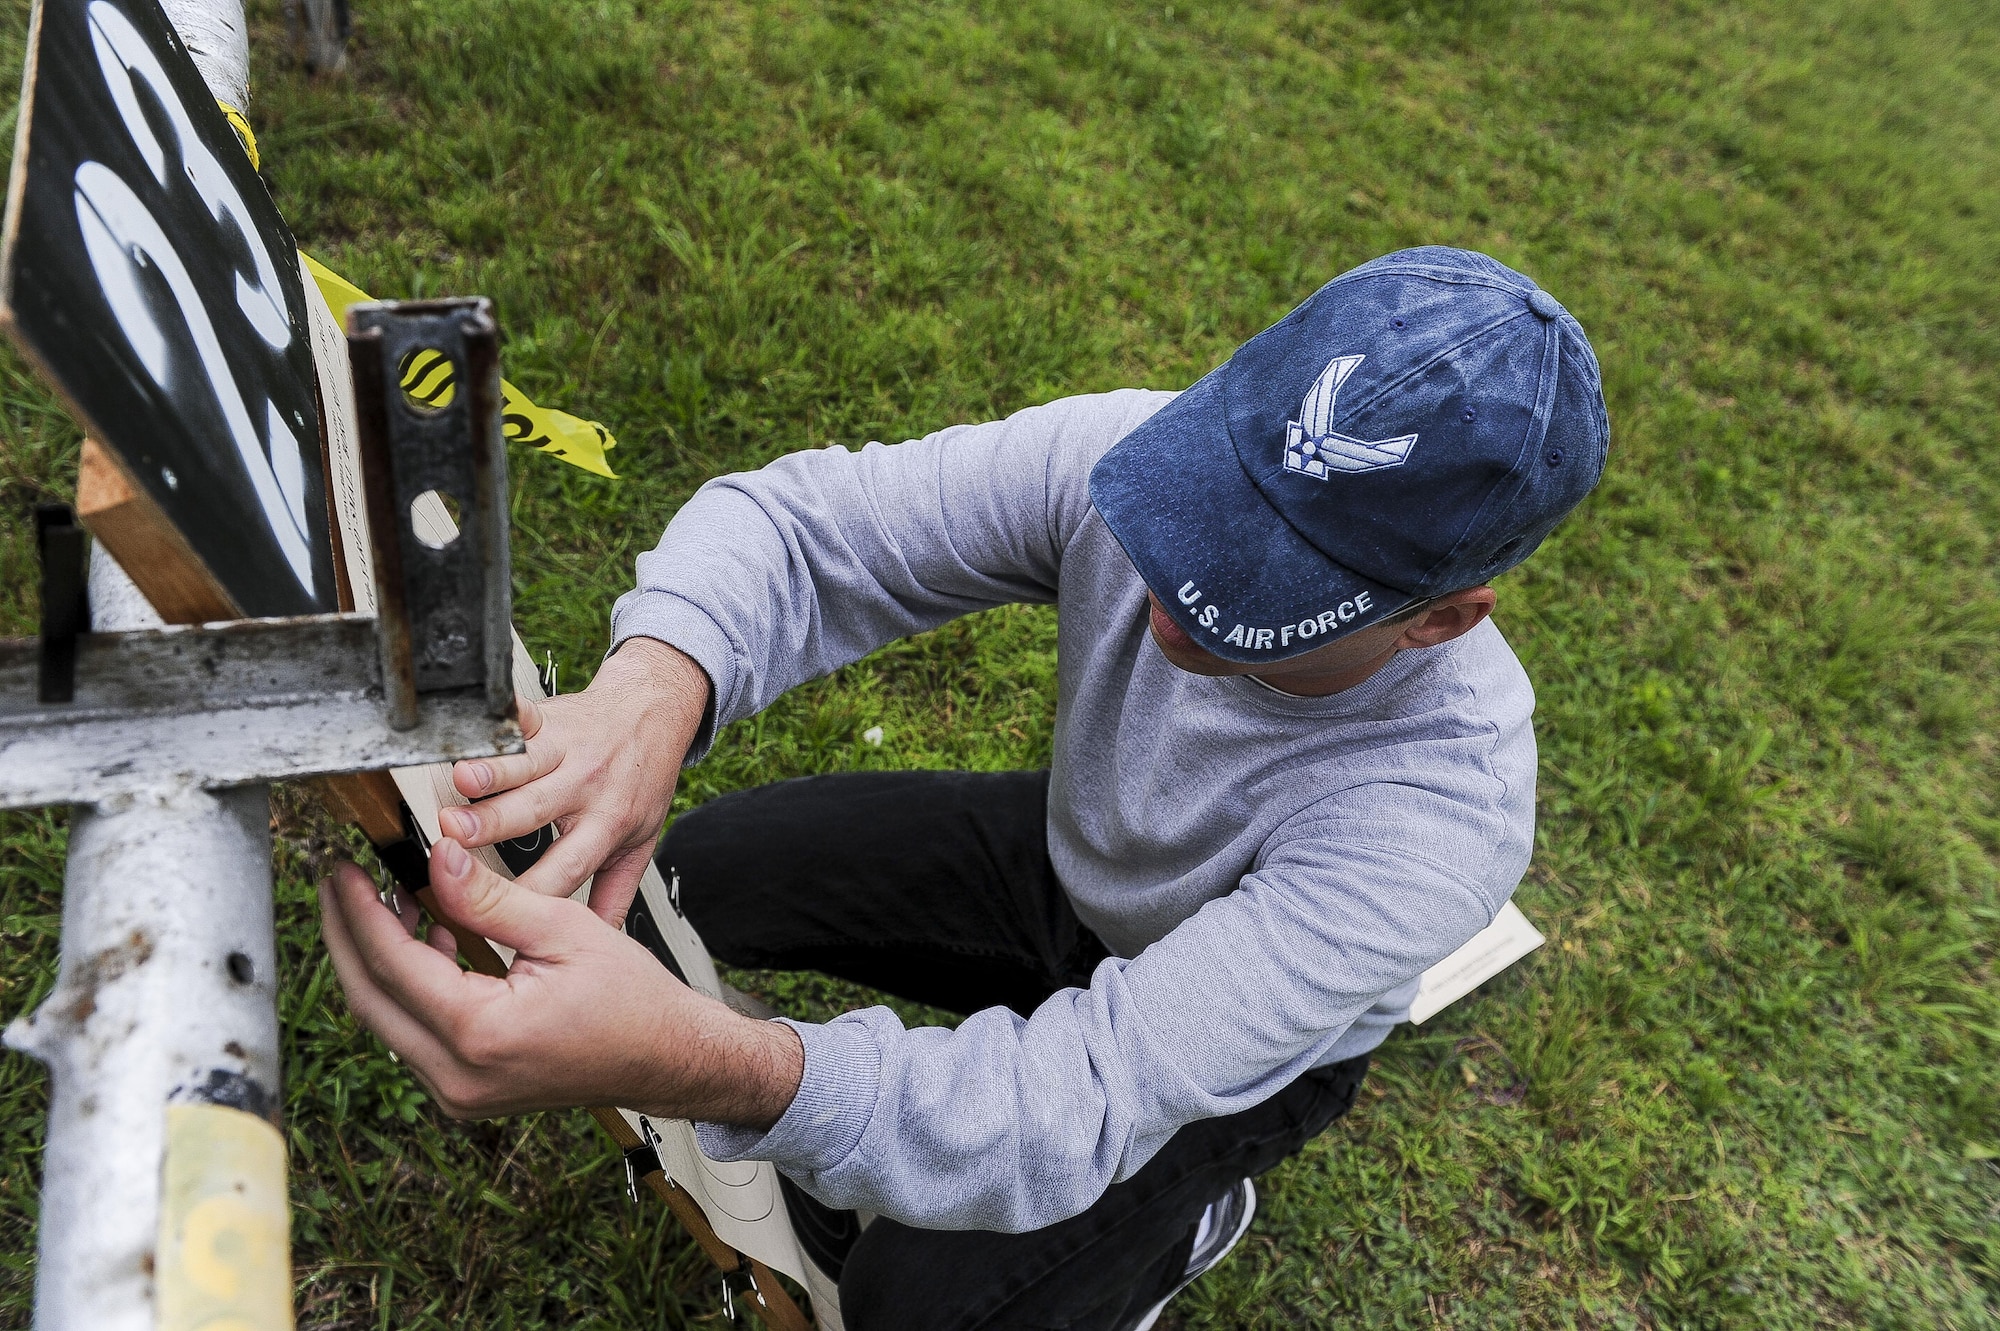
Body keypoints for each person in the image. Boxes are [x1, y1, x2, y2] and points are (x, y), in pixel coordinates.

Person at [321, 246, 1608, 1329]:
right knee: (687, 880)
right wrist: (654, 690)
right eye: (1204, 516)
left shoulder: (1438, 813)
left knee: (908, 1303)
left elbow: (1074, 1098)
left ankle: (1184, 1214)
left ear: (1441, 619)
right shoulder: (1125, 444)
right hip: (1067, 860)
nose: (1170, 614)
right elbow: (806, 530)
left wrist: (723, 1069)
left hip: (1239, 1045)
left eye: (1263, 598)